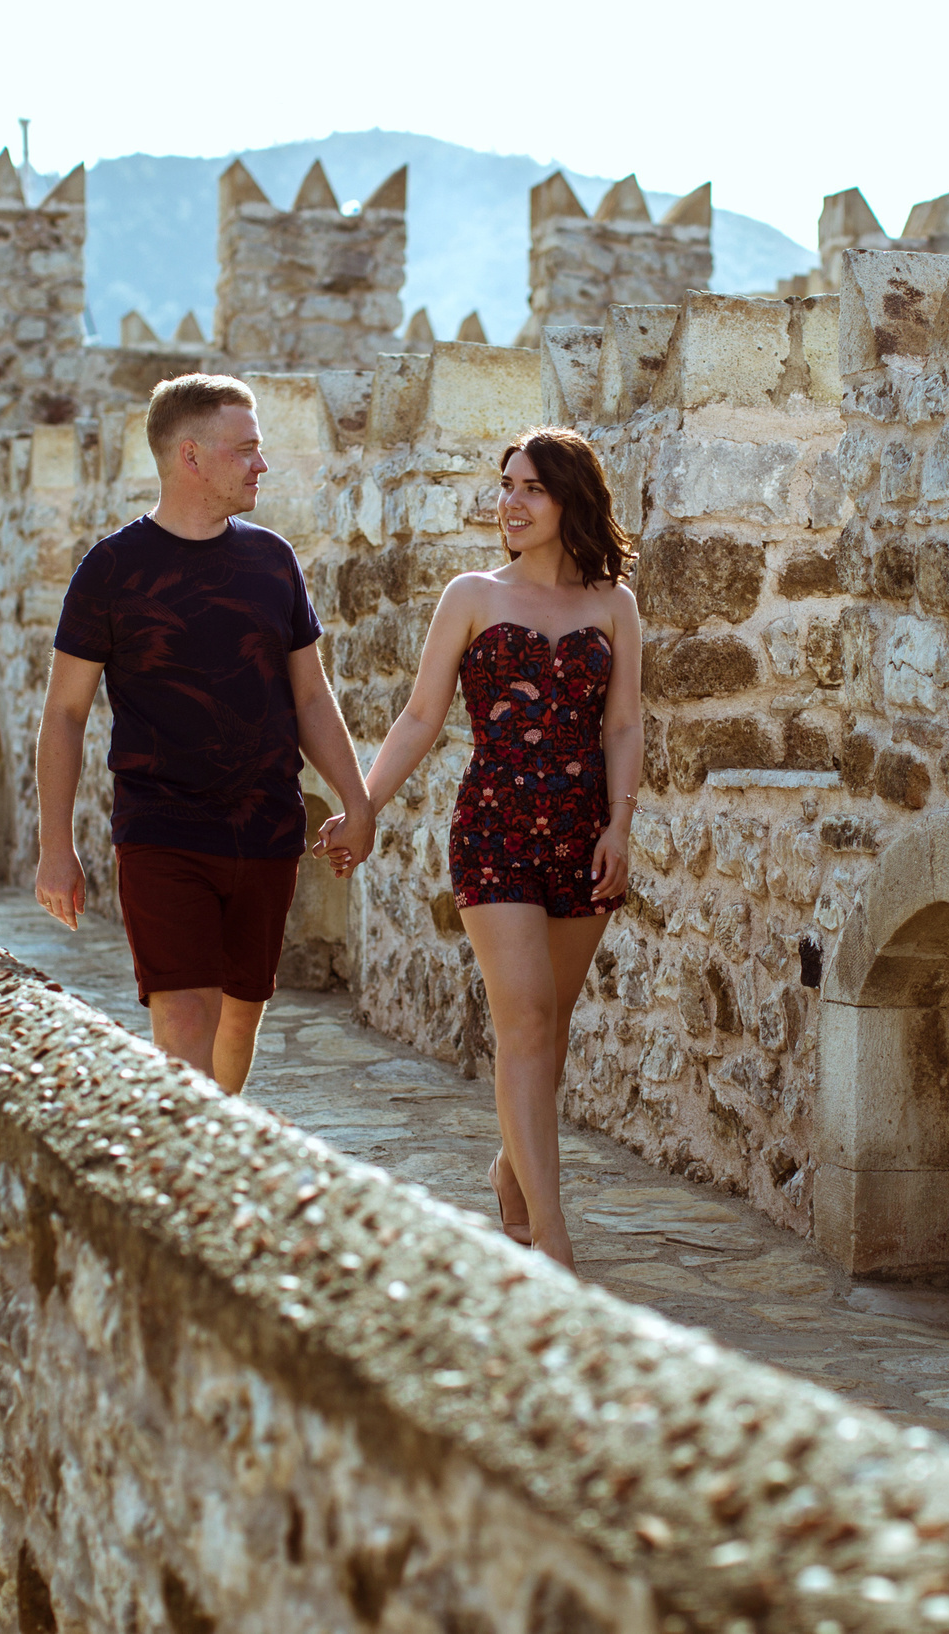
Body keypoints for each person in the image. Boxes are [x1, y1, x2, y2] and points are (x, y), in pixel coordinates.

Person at [334, 428, 640, 1272]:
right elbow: (421, 718)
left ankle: (513, 1168)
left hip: (584, 837)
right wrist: (363, 806)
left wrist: (620, 825)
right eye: (506, 484)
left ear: (571, 499)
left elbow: (622, 723)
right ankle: (552, 1237)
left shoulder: (614, 604)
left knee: (552, 1026)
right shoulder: (470, 595)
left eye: (531, 488)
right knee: (529, 1020)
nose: (510, 501)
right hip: (494, 829)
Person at [35, 373, 373, 1095]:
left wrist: (358, 797)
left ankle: (211, 1161)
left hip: (265, 833)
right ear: (191, 456)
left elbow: (310, 695)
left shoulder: (274, 561)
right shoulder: (112, 569)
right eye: (246, 449)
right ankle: (190, 1196)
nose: (262, 464)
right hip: (161, 829)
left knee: (237, 1023)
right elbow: (65, 712)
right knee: (185, 1019)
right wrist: (54, 847)